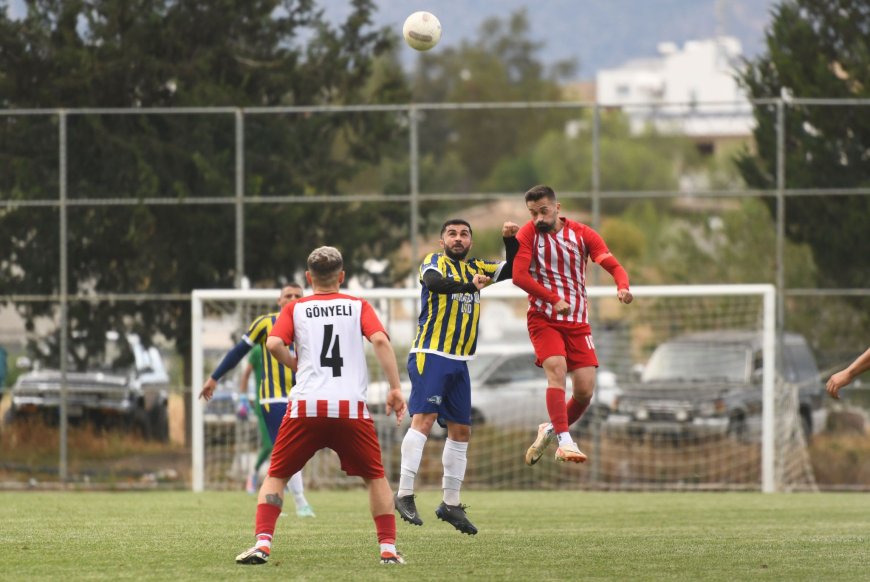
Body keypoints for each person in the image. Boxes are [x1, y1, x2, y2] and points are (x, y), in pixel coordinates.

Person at [234, 246, 407, 566]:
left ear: (308, 278)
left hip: (305, 408)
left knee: (276, 475)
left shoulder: (295, 309)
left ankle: (262, 544)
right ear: (342, 276)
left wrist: (294, 363)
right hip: (349, 408)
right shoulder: (358, 305)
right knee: (375, 477)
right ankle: (387, 549)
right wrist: (395, 387)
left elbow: (273, 343)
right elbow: (381, 341)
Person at [394, 219, 519, 536]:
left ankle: (450, 504)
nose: (458, 238)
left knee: (461, 431)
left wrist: (509, 240)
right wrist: (470, 287)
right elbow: (435, 283)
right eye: (452, 234)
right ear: (442, 241)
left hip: (460, 361)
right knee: (424, 420)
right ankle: (404, 493)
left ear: (471, 242)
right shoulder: (433, 263)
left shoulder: (478, 266)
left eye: (464, 234)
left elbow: (516, 269)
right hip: (430, 354)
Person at [511, 185, 633, 466]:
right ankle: (565, 442)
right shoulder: (528, 234)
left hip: (577, 322)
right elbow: (519, 276)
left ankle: (550, 428)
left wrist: (623, 286)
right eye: (533, 213)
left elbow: (613, 265)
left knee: (585, 391)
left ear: (557, 208)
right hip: (544, 318)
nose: (538, 218)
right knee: (557, 370)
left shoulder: (582, 234)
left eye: (543, 211)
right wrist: (552, 299)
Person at [199, 283, 315, 517]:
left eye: (297, 295)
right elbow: (237, 352)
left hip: (304, 395)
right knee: (286, 448)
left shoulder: (311, 324)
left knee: (295, 450)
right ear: (279, 301)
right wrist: (214, 377)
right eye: (287, 295)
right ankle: (299, 503)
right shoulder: (265, 323)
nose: (292, 298)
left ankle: (277, 499)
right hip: (274, 397)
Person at [239, 344, 274, 495]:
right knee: (268, 445)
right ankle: (253, 474)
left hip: (281, 401)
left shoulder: (283, 347)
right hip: (263, 404)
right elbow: (246, 374)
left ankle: (280, 481)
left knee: (283, 446)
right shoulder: (257, 351)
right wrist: (243, 398)